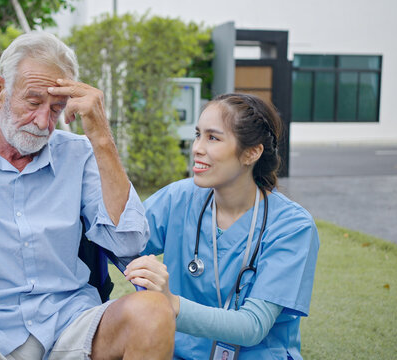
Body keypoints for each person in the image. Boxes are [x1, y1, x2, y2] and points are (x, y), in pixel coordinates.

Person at [0, 31, 175, 360]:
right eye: (33, 102)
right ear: (0, 90)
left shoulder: (80, 153)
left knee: (153, 311)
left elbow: (129, 245)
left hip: (72, 324)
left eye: (56, 108)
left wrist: (101, 137)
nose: (43, 122)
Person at [124, 93, 319, 359]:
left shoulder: (292, 226)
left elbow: (253, 326)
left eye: (213, 138)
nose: (197, 148)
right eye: (198, 135)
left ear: (252, 152)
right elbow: (120, 240)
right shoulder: (179, 198)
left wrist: (171, 303)